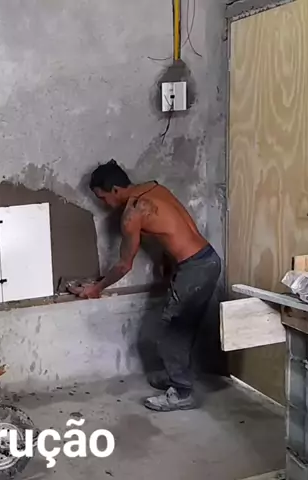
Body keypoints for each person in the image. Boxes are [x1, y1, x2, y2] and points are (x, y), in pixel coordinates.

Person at [73, 159, 221, 412]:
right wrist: (168, 262)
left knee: (171, 331)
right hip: (207, 259)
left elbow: (124, 265)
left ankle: (181, 392)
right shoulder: (153, 188)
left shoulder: (133, 213)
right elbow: (171, 229)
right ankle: (176, 376)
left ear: (115, 190)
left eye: (103, 197)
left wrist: (96, 288)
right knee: (183, 327)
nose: (104, 204)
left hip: (194, 269)